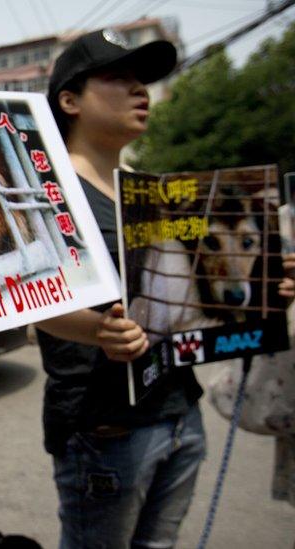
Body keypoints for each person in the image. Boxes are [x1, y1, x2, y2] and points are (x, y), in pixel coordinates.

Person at [38, 30, 295, 549]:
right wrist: (98, 331)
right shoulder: (47, 191)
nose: (141, 92)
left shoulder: (148, 193)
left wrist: (268, 291)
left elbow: (195, 305)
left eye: (143, 82)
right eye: (119, 79)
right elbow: (23, 307)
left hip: (181, 414)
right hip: (106, 430)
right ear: (70, 100)